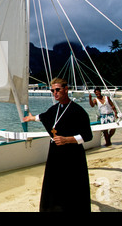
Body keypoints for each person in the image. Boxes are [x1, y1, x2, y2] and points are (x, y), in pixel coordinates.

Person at [23, 77, 93, 212]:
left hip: (72, 156)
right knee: (54, 185)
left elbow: (87, 135)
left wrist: (67, 139)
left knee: (72, 186)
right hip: (55, 155)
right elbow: (43, 116)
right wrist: (31, 118)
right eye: (52, 91)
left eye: (57, 90)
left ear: (66, 89)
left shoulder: (78, 111)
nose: (54, 93)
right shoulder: (55, 109)